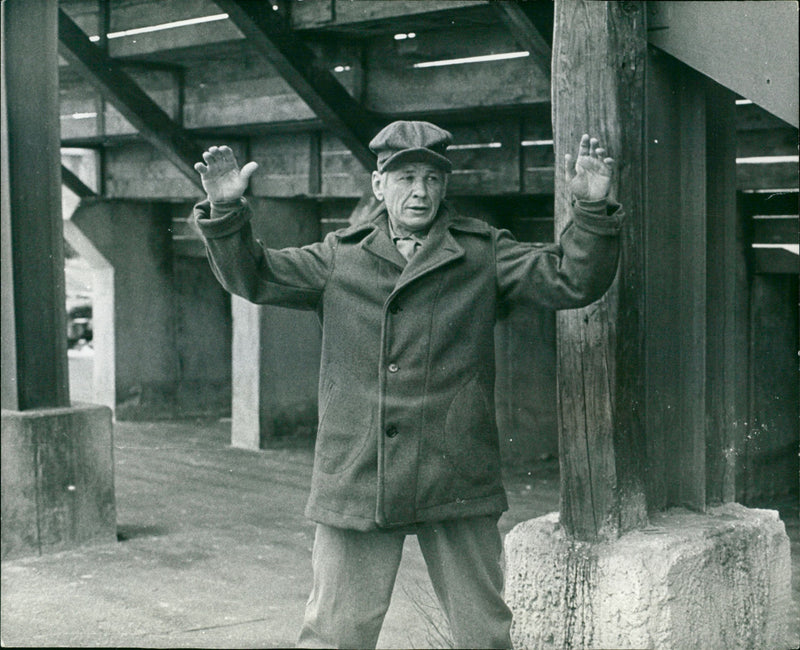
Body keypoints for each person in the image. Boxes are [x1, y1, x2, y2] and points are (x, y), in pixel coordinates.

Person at [193, 121, 623, 649]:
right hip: (359, 471)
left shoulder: (481, 253)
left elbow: (573, 279)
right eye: (404, 177)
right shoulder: (338, 256)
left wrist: (592, 211)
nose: (419, 191)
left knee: (484, 635)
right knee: (334, 635)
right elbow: (253, 276)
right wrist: (227, 213)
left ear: (445, 186)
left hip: (456, 469)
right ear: (379, 185)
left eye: (431, 178)